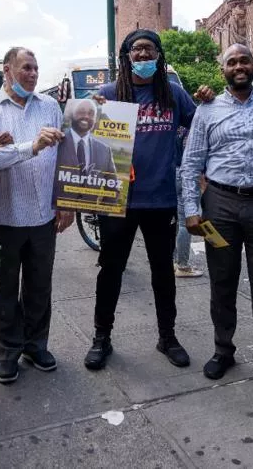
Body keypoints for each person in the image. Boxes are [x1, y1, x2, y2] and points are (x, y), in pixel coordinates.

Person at [181, 43, 253, 390]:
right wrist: (192, 210)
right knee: (222, 282)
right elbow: (191, 164)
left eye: (244, 60)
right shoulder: (206, 110)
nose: (239, 66)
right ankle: (223, 350)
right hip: (220, 206)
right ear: (223, 71)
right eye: (231, 62)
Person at [84, 29, 200, 371]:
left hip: (161, 199)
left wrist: (194, 163)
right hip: (117, 201)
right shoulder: (108, 95)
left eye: (150, 49)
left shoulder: (174, 95)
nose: (144, 55)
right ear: (126, 56)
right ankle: (101, 337)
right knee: (111, 270)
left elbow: (202, 127)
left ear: (159, 56)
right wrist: (86, 111)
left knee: (163, 272)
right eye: (138, 49)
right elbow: (81, 138)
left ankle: (168, 336)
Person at [0, 47, 72, 385]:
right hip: (2, 217)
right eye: (25, 68)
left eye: (36, 68)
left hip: (43, 215)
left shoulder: (50, 107)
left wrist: (66, 202)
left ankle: (35, 344)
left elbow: (63, 159)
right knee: (2, 292)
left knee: (39, 286)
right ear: (7, 71)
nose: (32, 74)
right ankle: (8, 352)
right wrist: (31, 146)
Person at [53, 98, 117, 208]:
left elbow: (113, 188)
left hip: (90, 210)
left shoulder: (105, 150)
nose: (86, 116)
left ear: (95, 119)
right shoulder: (56, 142)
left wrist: (102, 211)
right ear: (72, 115)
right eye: (81, 111)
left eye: (91, 113)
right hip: (58, 212)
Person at [173, 125, 203, 278]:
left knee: (175, 220)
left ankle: (171, 260)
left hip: (173, 171)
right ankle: (182, 265)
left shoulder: (176, 125)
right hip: (186, 174)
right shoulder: (192, 129)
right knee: (185, 222)